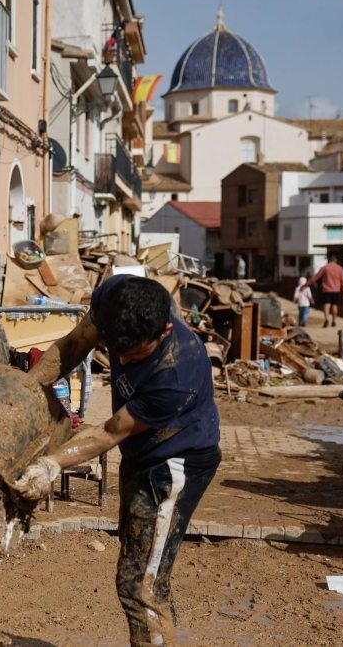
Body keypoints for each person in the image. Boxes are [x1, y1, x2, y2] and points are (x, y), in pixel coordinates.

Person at [18, 275, 221, 645]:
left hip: (174, 464)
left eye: (136, 354)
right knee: (147, 572)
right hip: (143, 454)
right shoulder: (117, 298)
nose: (124, 361)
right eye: (117, 349)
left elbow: (111, 431)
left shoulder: (177, 372)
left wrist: (52, 463)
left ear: (163, 331)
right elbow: (76, 343)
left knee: (139, 585)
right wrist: (26, 392)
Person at [305, 255, 343, 328]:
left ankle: (327, 319)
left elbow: (316, 277)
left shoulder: (325, 268)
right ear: (336, 261)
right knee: (334, 305)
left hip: (326, 290)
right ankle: (334, 321)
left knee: (326, 305)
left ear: (329, 260)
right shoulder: (340, 269)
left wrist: (307, 284)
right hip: (336, 290)